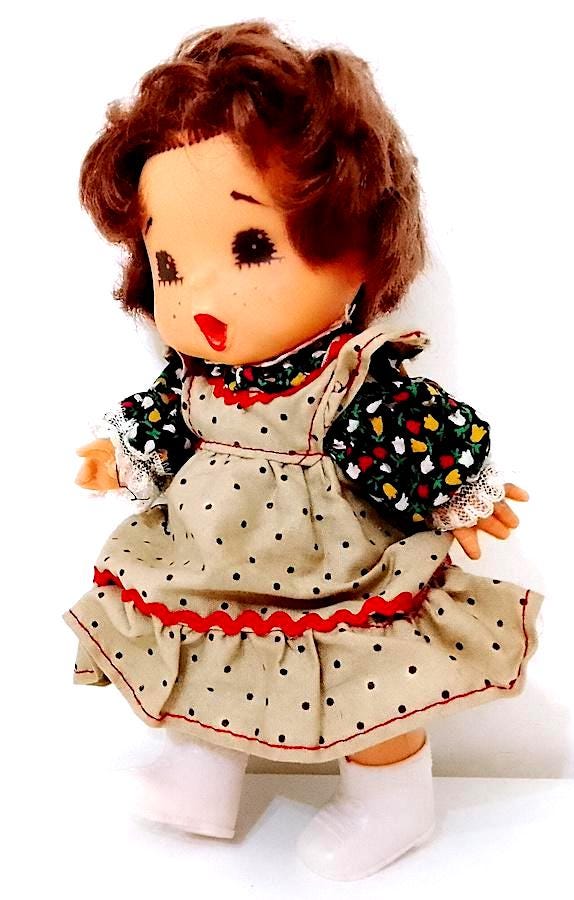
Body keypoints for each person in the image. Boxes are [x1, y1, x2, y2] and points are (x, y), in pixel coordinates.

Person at [64, 19, 544, 881]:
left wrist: (459, 487)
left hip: (336, 576)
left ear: (358, 244)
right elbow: (168, 418)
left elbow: (409, 427)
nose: (199, 294)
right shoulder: (196, 379)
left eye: (250, 247)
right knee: (205, 658)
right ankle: (200, 780)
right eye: (169, 264)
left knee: (372, 680)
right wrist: (122, 450)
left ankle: (393, 802)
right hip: (209, 565)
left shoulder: (347, 379)